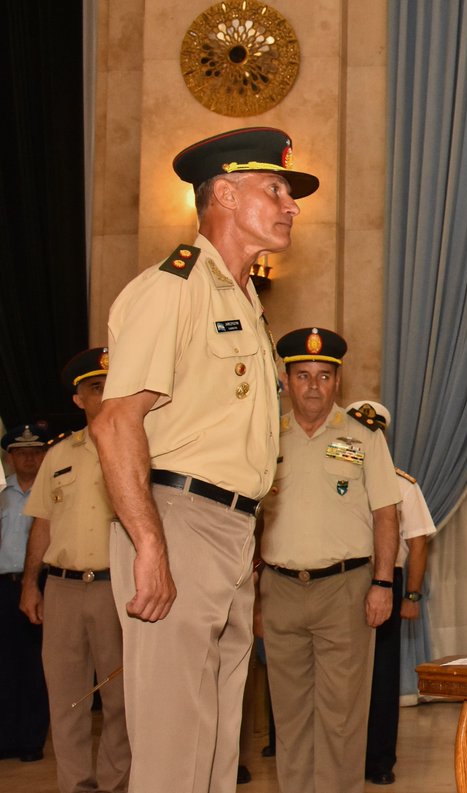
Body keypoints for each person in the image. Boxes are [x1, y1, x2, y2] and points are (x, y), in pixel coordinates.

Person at [90, 126, 318, 793]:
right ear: (224, 193)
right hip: (177, 518)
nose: (291, 206)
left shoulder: (244, 302)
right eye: (274, 189)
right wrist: (150, 545)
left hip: (229, 528)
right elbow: (115, 423)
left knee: (216, 744)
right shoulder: (174, 288)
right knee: (173, 744)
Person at [259, 329, 401, 793]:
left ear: (338, 381)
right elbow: (248, 519)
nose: (314, 386)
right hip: (280, 588)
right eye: (303, 376)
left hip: (345, 589)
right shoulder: (266, 436)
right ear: (286, 380)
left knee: (342, 714)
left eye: (324, 376)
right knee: (290, 714)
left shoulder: (362, 435)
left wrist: (383, 584)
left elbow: (385, 513)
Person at [21, 347, 131, 792]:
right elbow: (42, 524)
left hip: (116, 588)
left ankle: (115, 784)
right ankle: (74, 786)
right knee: (66, 700)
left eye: (110, 386)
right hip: (63, 589)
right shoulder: (59, 454)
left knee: (121, 700)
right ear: (78, 399)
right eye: (95, 388)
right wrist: (30, 584)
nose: (104, 395)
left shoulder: (142, 447)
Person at [351, 400, 438, 786]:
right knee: (341, 673)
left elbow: (418, 544)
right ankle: (343, 758)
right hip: (342, 577)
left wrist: (412, 597)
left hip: (388, 577)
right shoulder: (337, 477)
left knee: (382, 675)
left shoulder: (401, 484)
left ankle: (379, 760)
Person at [0, 422, 53, 762]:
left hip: (43, 583)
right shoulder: (2, 494)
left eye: (35, 452)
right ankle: (6, 738)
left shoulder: (52, 492)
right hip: (4, 586)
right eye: (21, 453)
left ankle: (31, 739)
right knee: (5, 663)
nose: (29, 459)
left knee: (37, 663)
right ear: (10, 458)